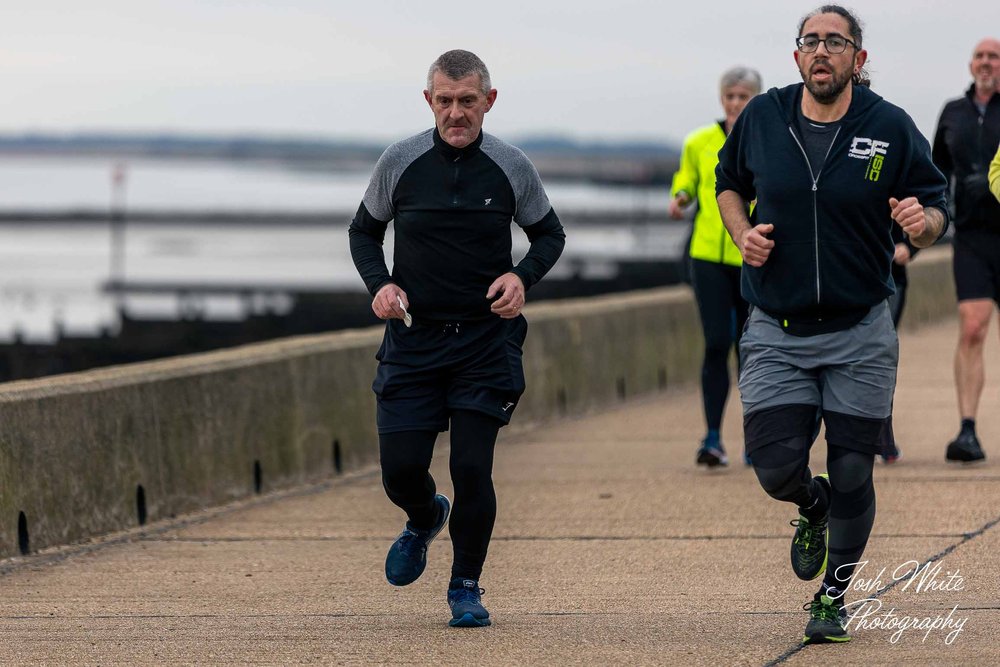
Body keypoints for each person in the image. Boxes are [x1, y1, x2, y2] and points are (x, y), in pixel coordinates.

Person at [715, 6, 948, 645]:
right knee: (773, 467)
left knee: (853, 470)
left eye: (836, 42)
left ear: (857, 59)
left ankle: (833, 598)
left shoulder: (890, 126)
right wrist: (741, 234)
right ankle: (810, 508)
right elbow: (727, 182)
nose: (822, 51)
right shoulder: (763, 117)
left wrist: (919, 225)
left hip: (859, 329)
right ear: (797, 57)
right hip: (776, 326)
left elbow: (936, 208)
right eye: (811, 41)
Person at [348, 49, 566, 628]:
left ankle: (465, 586)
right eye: (444, 101)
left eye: (467, 101)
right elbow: (364, 234)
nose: (456, 113)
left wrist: (521, 276)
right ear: (429, 101)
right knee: (399, 471)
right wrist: (381, 285)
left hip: (484, 343)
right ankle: (423, 517)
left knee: (473, 467)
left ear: (488, 101)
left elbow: (549, 235)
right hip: (413, 343)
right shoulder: (401, 161)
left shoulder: (510, 165)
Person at [668, 66, 762, 468]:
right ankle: (711, 438)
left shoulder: (766, 139)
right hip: (706, 255)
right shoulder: (699, 141)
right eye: (730, 96)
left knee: (752, 350)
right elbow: (685, 178)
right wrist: (681, 195)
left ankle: (755, 440)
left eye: (743, 97)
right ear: (721, 99)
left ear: (755, 99)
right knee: (715, 343)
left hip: (752, 257)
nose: (736, 103)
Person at [932, 37, 1000, 463]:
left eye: (994, 56)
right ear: (970, 64)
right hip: (971, 237)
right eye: (980, 56)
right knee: (973, 328)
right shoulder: (952, 113)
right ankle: (968, 430)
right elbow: (935, 171)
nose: (986, 63)